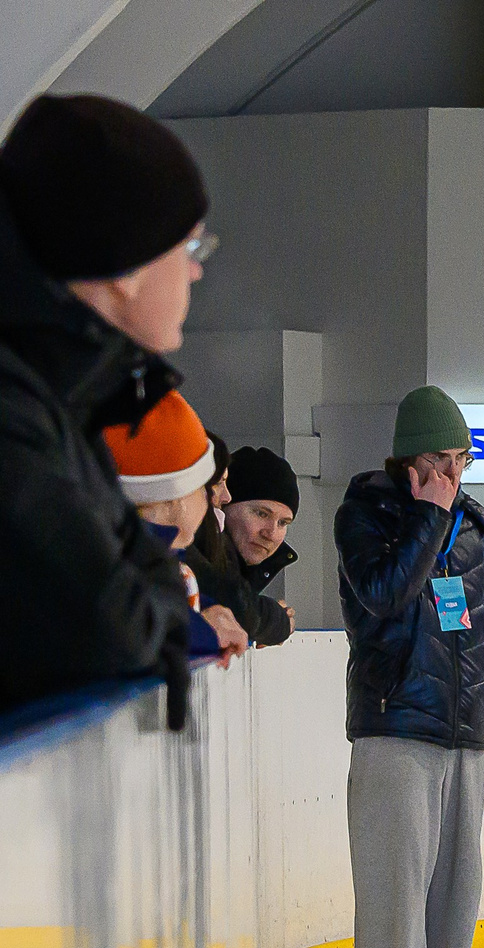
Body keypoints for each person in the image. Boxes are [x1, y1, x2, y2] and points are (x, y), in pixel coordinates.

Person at [0, 94, 218, 716]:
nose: (197, 274)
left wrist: (159, 605)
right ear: (126, 268)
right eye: (191, 249)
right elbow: (108, 623)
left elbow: (154, 583)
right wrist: (159, 609)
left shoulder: (65, 404)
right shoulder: (16, 411)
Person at [338, 384, 484, 948]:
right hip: (395, 724)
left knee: (455, 889)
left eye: (460, 459)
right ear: (407, 463)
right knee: (396, 887)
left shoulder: (476, 527)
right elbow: (384, 594)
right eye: (437, 461)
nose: (451, 475)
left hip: (465, 730)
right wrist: (425, 518)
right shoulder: (367, 514)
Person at [101, 389, 249, 663]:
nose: (214, 501)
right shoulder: (108, 567)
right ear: (176, 498)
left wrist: (202, 609)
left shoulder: (138, 560)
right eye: (204, 490)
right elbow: (116, 626)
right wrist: (201, 631)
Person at [192, 444, 296, 646]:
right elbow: (234, 606)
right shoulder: (195, 547)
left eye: (283, 523)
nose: (271, 534)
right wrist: (275, 623)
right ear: (226, 506)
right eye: (261, 513)